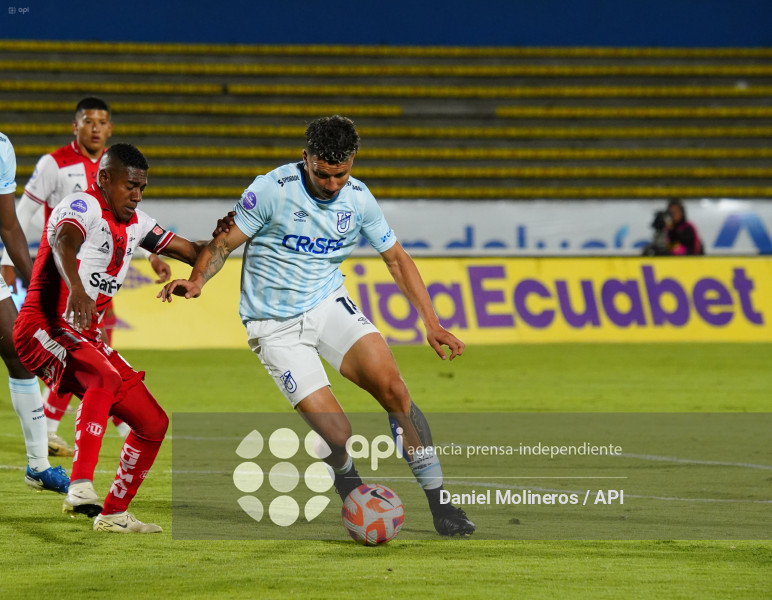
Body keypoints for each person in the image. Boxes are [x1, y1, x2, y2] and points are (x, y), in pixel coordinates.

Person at [159, 115, 475, 537]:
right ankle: (350, 483)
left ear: (352, 164)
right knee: (337, 433)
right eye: (322, 174)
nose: (331, 184)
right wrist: (198, 280)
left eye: (340, 175)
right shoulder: (272, 190)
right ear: (304, 158)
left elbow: (397, 259)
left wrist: (431, 322)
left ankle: (442, 505)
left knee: (395, 390)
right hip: (274, 326)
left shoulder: (359, 199)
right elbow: (223, 243)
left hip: (328, 305)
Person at [13, 143, 205, 533]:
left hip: (84, 336)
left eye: (142, 188)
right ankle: (80, 486)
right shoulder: (81, 206)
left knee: (153, 423)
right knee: (105, 377)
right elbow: (64, 241)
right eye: (130, 186)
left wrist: (233, 241)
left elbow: (191, 250)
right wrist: (78, 290)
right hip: (43, 326)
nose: (136, 195)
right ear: (104, 179)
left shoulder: (137, 224)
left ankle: (114, 513)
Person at [1, 97, 170, 457]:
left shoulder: (119, 169)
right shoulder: (54, 164)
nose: (95, 128)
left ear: (110, 128)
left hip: (101, 273)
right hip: (63, 274)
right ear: (74, 125)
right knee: (81, 353)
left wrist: (152, 255)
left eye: (102, 122)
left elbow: (125, 221)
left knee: (88, 353)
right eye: (88, 121)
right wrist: (6, 259)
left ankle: (82, 423)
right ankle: (95, 424)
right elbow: (25, 212)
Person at [0, 132, 69, 494]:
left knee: (18, 354)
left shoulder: (1, 148)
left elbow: (9, 223)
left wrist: (36, 288)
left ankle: (38, 466)